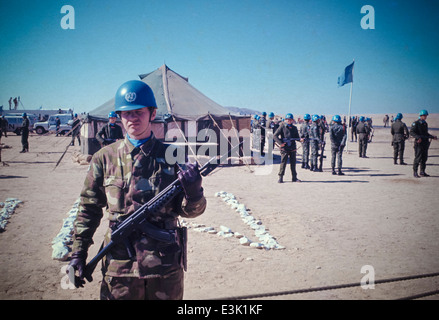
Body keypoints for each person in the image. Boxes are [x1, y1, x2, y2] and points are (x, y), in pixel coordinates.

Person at [68, 80, 206, 300]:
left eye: (139, 112)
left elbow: (190, 211)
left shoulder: (174, 156)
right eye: (127, 113)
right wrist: (78, 252)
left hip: (165, 267)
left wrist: (195, 192)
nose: (133, 118)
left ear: (152, 113)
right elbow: (88, 209)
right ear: (119, 116)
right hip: (119, 268)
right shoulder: (104, 158)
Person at [409, 109, 437, 178]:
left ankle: (422, 171)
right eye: (424, 115)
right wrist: (418, 137)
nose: (425, 117)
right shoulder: (416, 123)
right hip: (419, 143)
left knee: (424, 158)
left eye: (426, 116)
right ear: (421, 115)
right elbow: (411, 132)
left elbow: (425, 133)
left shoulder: (425, 123)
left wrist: (432, 136)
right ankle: (415, 172)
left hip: (425, 142)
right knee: (418, 158)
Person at [274, 113, 301, 183]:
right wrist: (280, 143)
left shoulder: (294, 128)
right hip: (285, 148)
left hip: (292, 148)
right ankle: (280, 177)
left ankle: (294, 178)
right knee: (283, 163)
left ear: (292, 120)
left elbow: (297, 137)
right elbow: (275, 135)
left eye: (290, 119)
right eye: (287, 119)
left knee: (293, 163)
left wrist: (301, 139)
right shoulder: (282, 126)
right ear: (285, 120)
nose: (289, 120)